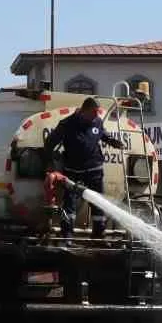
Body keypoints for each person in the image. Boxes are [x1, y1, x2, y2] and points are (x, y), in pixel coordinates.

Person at [44, 98, 125, 236]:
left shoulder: (97, 122)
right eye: (94, 113)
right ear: (84, 110)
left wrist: (112, 141)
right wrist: (50, 162)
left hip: (94, 170)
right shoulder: (67, 124)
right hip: (73, 171)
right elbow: (50, 143)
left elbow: (102, 134)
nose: (96, 116)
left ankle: (99, 234)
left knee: (99, 203)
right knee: (70, 205)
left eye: (97, 113)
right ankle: (67, 236)